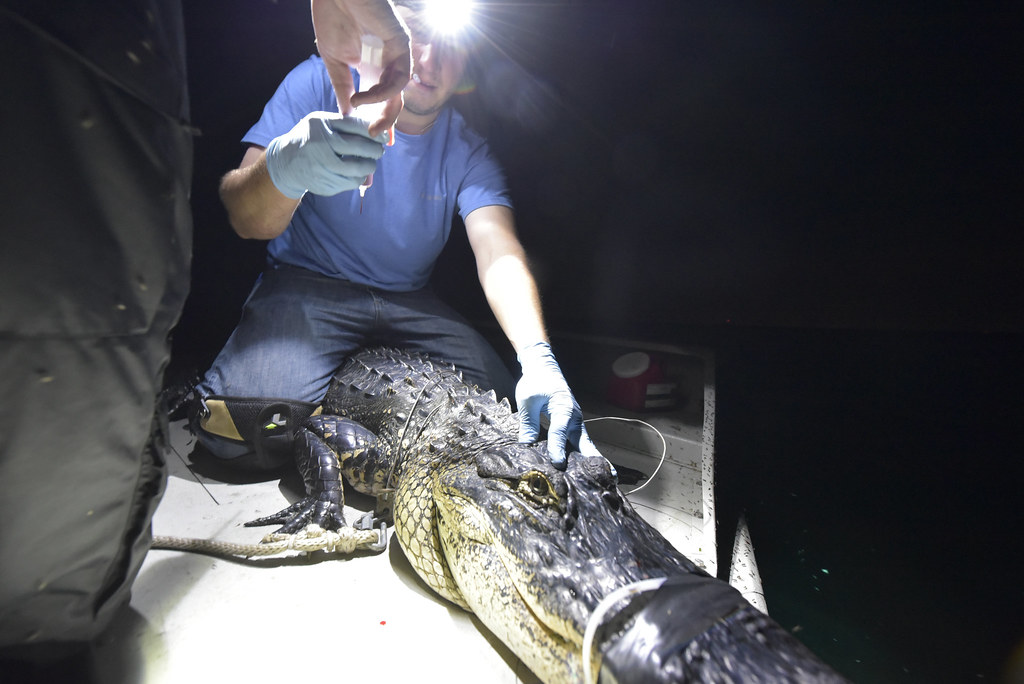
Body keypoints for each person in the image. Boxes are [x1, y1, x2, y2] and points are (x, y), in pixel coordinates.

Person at [195, 0, 600, 471]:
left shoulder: (468, 150)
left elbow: (498, 250)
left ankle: (343, 382)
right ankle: (320, 383)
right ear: (384, 31)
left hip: (410, 300)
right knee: (237, 431)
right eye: (415, 36)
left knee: (516, 417)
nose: (428, 62)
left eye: (451, 46)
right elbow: (246, 218)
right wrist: (287, 165)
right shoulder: (318, 83)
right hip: (309, 282)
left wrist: (536, 355)